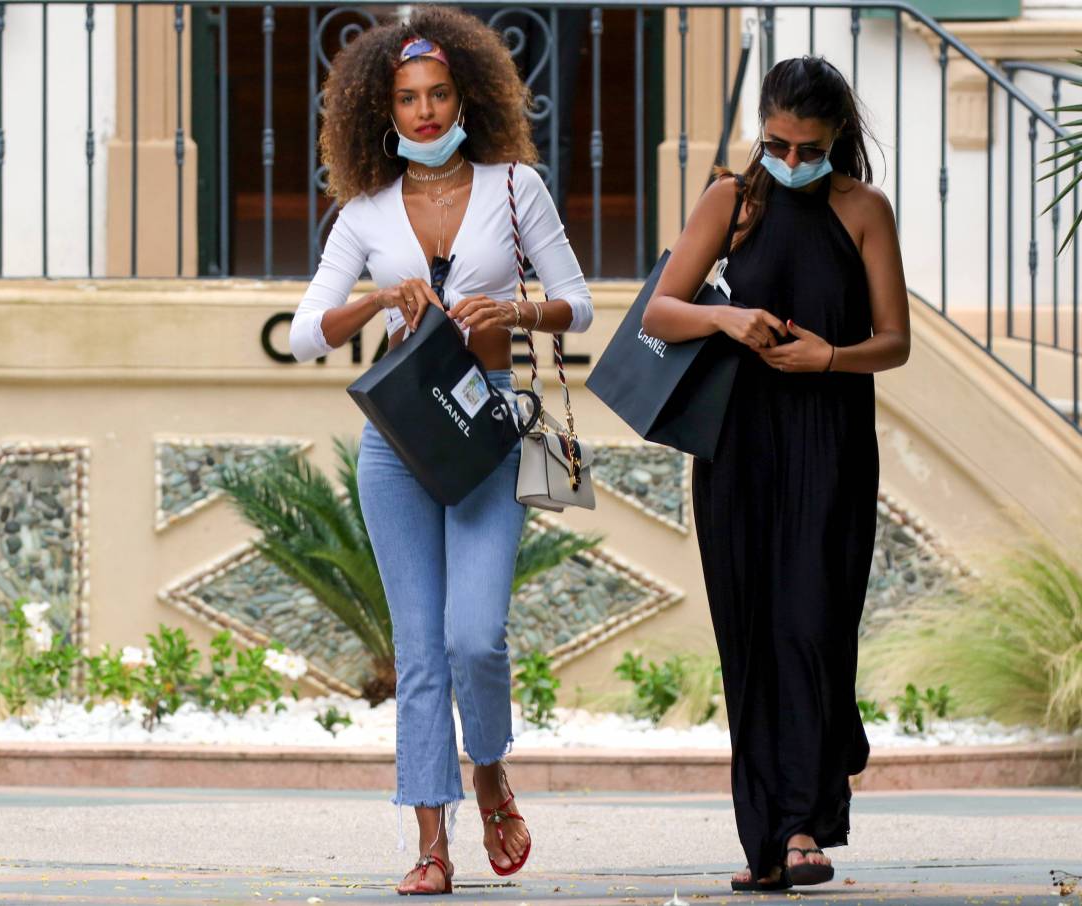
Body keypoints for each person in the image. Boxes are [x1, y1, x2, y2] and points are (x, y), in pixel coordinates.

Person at [290, 6, 592, 895]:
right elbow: (310, 333)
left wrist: (517, 310)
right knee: (419, 648)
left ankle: (489, 766)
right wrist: (380, 298)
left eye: (439, 95)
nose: (425, 113)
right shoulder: (365, 211)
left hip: (493, 425)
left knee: (474, 637)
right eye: (409, 99)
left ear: (469, 97)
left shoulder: (513, 187)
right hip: (399, 441)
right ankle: (431, 840)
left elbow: (579, 303)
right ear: (382, 113)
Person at [641, 56, 910, 892]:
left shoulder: (865, 210)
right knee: (752, 634)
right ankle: (776, 838)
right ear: (762, 130)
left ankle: (807, 816)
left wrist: (831, 355)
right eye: (778, 143)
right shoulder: (732, 199)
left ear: (838, 139)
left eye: (809, 146)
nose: (792, 159)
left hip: (830, 440)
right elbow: (659, 309)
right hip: (739, 445)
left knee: (814, 623)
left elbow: (894, 341)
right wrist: (725, 317)